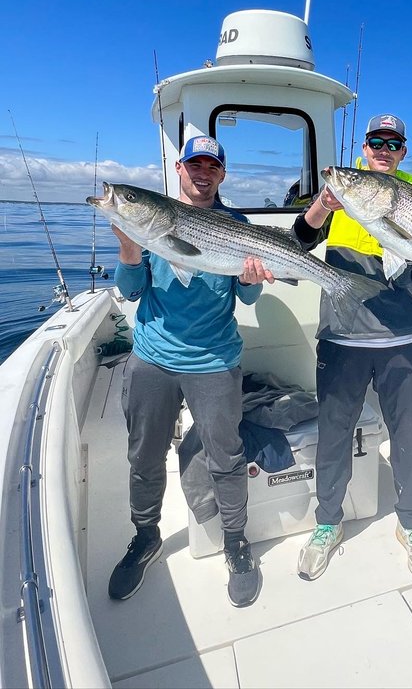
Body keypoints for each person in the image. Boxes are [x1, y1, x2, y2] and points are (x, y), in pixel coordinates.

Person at [109, 135, 275, 608]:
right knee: (143, 456)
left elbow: (245, 298)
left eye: (212, 166)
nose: (202, 172)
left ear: (222, 175)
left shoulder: (235, 225)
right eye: (194, 164)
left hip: (215, 360)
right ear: (178, 169)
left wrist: (249, 279)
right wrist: (128, 247)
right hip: (153, 358)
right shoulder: (151, 222)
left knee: (226, 457)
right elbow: (132, 291)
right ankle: (145, 536)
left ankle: (236, 543)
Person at [293, 114, 412, 581]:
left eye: (393, 143)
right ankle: (326, 523)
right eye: (376, 141)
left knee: (407, 437)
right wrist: (322, 205)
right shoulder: (342, 187)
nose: (383, 148)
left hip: (406, 338)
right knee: (333, 436)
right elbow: (301, 239)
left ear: (402, 153)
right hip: (343, 337)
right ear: (364, 145)